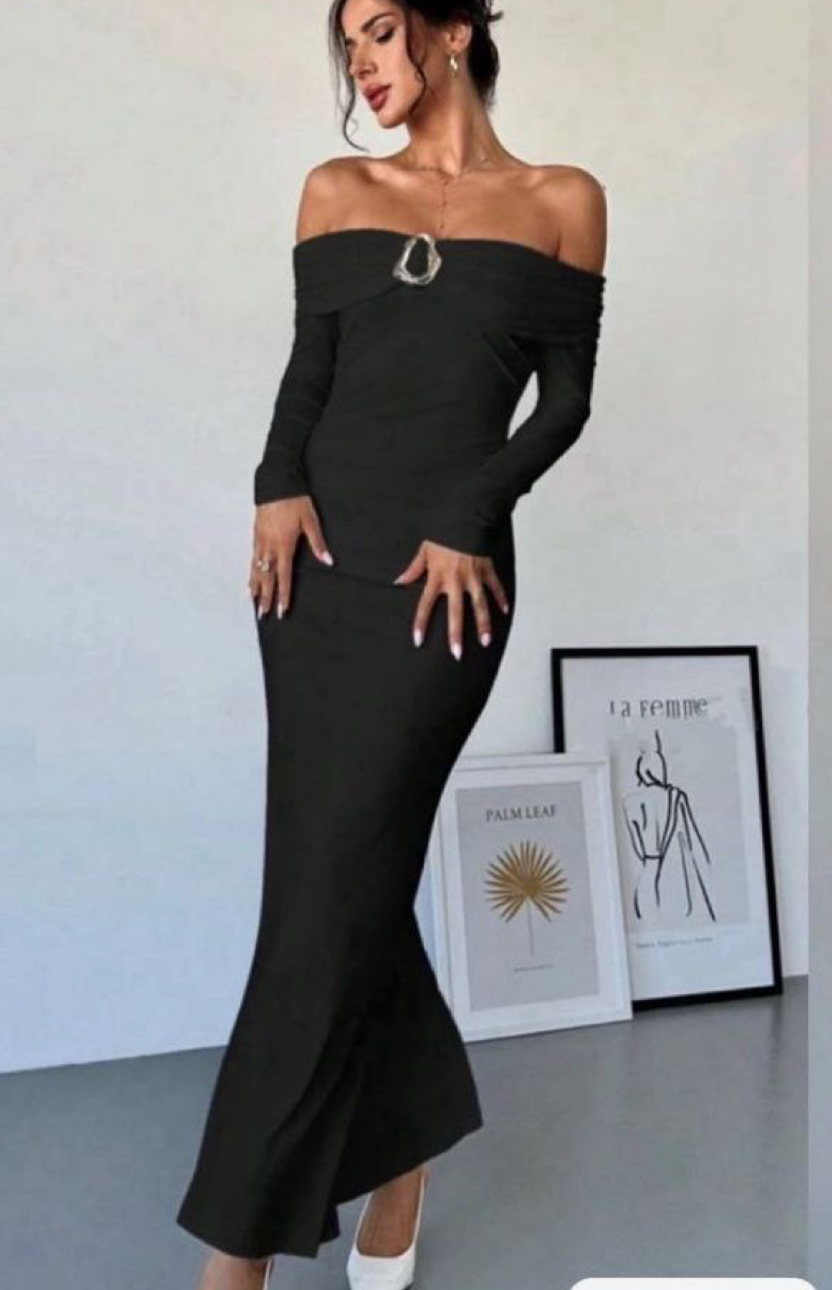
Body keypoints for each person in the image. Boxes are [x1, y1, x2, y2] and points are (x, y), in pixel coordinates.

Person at [176, 1, 607, 1286]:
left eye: (377, 31)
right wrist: (273, 486)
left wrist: (472, 513)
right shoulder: (335, 189)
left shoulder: (561, 200)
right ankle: (403, 1154)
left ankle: (235, 1259)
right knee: (329, 880)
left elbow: (565, 401)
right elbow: (308, 368)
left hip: (445, 585)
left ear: (452, 29)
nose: (360, 63)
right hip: (314, 569)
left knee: (324, 893)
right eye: (348, 45)